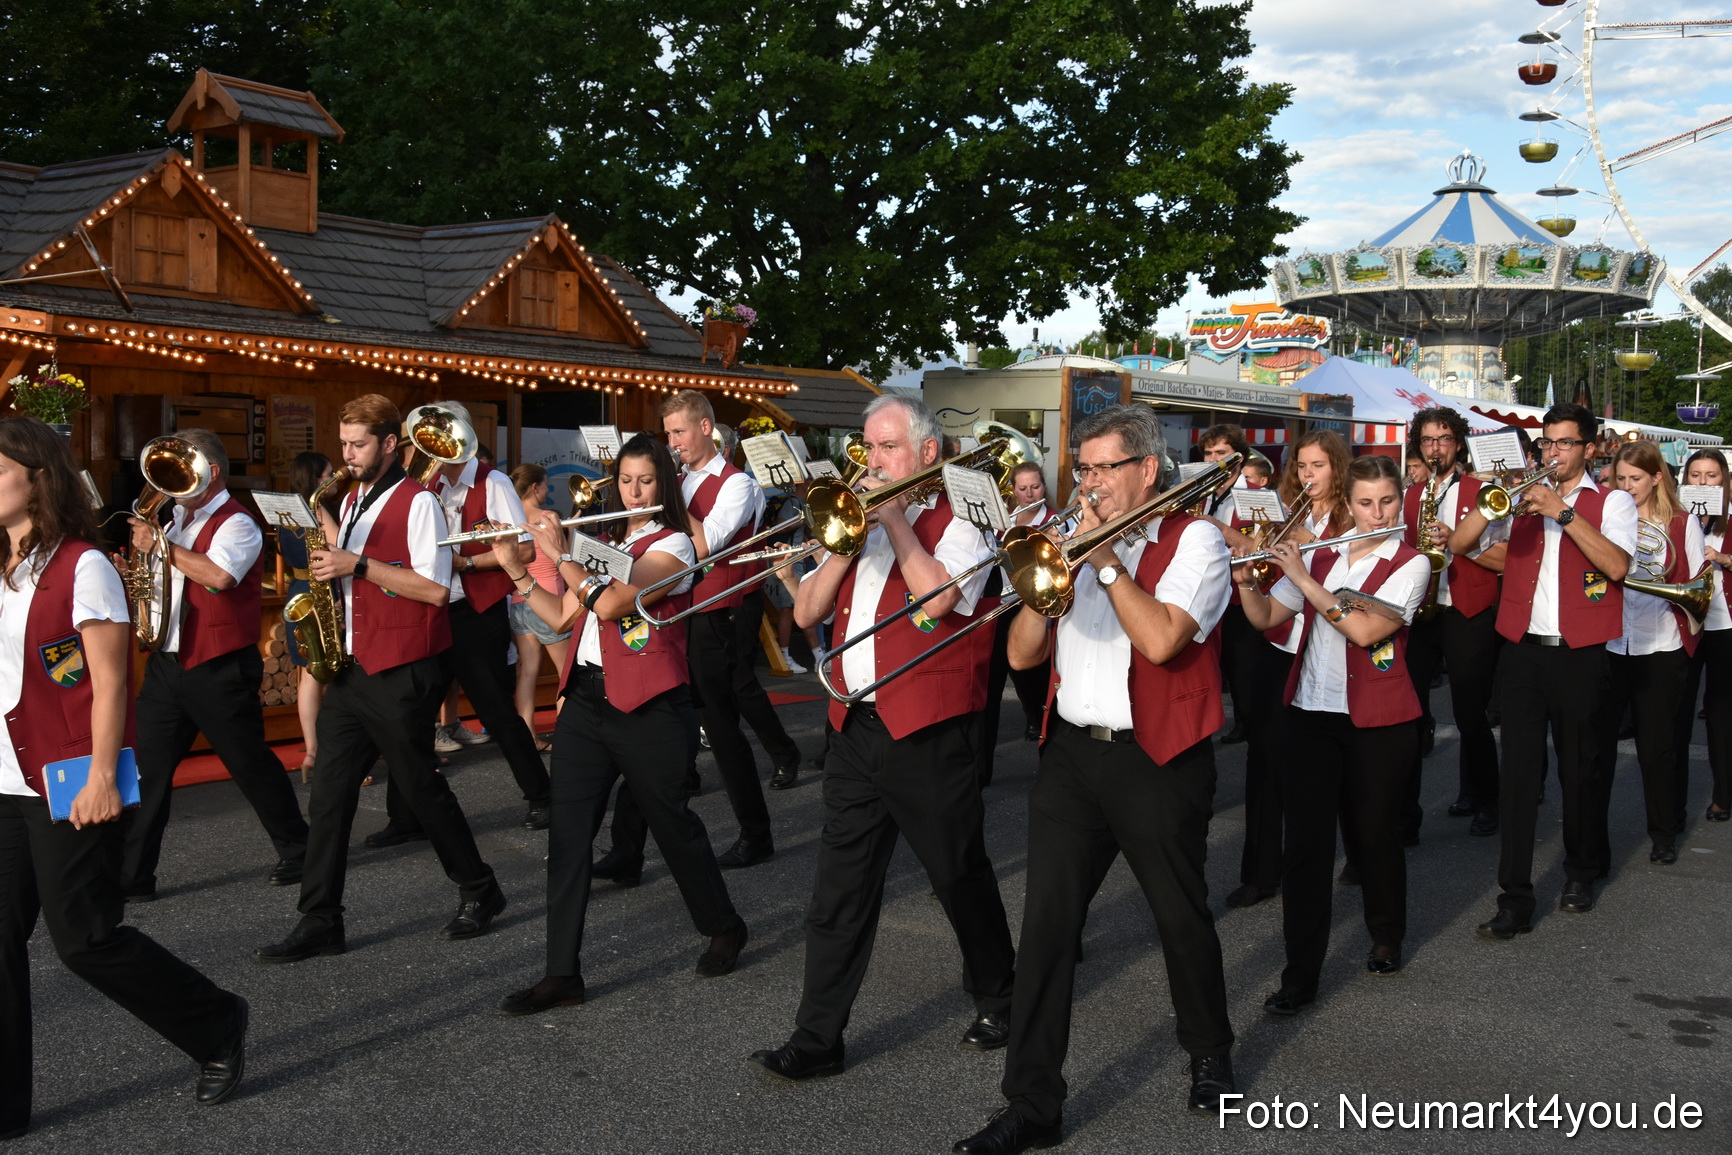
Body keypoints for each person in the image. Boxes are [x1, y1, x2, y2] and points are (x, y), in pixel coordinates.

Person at [953, 404, 1235, 1155]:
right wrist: (1046, 588)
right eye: (1081, 469)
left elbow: (1163, 636)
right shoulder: (1064, 541)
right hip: (1073, 755)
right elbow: (1020, 657)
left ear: (1146, 469)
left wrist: (1104, 560)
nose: (1090, 484)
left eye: (1104, 468)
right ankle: (1032, 1101)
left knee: (1179, 913)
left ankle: (1209, 1047)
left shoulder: (1196, 540)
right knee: (1046, 927)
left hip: (1157, 757)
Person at [750, 394, 1015, 1082]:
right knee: (839, 888)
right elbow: (807, 609)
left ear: (927, 452)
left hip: (927, 728)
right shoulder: (856, 515)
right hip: (854, 723)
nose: (871, 462)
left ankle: (1000, 993)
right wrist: (844, 539)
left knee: (956, 871)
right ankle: (818, 1036)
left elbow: (939, 599)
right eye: (865, 448)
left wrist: (894, 519)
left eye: (887, 448)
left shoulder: (966, 515)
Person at [0, 416, 249, 1137]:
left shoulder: (84, 566)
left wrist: (104, 774)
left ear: (36, 477)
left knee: (85, 939)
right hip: (4, 779)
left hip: (68, 775)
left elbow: (109, 683)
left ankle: (216, 1020)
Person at [494, 435, 745, 1016]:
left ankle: (725, 925)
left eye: (646, 482)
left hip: (650, 709)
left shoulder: (676, 546)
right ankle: (562, 973)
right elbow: (562, 617)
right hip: (584, 704)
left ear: (665, 485)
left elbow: (613, 605)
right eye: (626, 481)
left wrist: (561, 555)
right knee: (568, 836)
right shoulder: (605, 542)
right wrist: (516, 569)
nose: (633, 493)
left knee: (673, 827)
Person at [255, 395, 506, 963]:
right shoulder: (350, 498)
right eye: (343, 443)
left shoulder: (419, 502)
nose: (347, 455)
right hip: (352, 663)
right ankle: (320, 919)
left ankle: (480, 888)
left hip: (401, 668)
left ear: (391, 444)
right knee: (330, 796)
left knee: (421, 786)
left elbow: (436, 589)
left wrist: (357, 565)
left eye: (358, 444)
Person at [1237, 455, 1430, 1015]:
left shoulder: (1411, 564)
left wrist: (1302, 576)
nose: (1377, 513)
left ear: (1401, 502)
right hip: (1310, 715)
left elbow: (1368, 631)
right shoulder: (1326, 555)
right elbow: (1269, 616)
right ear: (1348, 505)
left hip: (1377, 723)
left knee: (1374, 835)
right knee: (1306, 849)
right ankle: (1300, 976)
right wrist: (1247, 581)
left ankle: (1386, 932)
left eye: (1388, 502)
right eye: (1366, 503)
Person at [1450, 402, 1635, 938]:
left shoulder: (1612, 501)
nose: (1552, 452)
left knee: (1579, 768)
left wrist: (1563, 511)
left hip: (1581, 651)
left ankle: (1579, 871)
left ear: (1590, 448)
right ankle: (1514, 897)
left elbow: (1618, 566)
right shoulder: (1520, 498)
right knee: (1519, 776)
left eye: (1564, 443)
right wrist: (1493, 504)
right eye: (1546, 443)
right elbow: (1461, 546)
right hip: (1522, 651)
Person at [119, 427, 309, 901]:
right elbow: (170, 581)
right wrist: (135, 572)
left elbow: (219, 576)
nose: (172, 481)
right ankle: (132, 877)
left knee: (249, 763)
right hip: (169, 662)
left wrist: (160, 549)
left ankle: (299, 849)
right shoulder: (173, 520)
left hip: (218, 665)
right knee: (148, 772)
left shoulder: (237, 522)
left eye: (185, 469)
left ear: (213, 472)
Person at [365, 400, 551, 847]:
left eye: (438, 438)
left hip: (473, 613)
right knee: (410, 717)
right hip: (427, 610)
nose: (428, 449)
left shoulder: (494, 482)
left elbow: (523, 551)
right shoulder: (413, 485)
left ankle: (543, 796)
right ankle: (405, 816)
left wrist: (465, 562)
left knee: (495, 710)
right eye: (422, 439)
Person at [661, 390, 799, 863]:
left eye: (678, 431)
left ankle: (755, 830)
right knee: (669, 716)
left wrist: (665, 494)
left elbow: (707, 545)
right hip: (675, 608)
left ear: (705, 429)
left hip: (720, 611)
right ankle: (630, 839)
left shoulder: (737, 484)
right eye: (668, 434)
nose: (672, 441)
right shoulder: (679, 480)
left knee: (722, 719)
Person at [1223, 429, 1349, 907]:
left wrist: (1307, 541)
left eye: (1318, 466)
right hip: (1281, 643)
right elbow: (1273, 586)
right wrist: (1252, 548)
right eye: (1301, 467)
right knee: (1265, 759)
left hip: (1331, 650)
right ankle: (1260, 871)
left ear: (1336, 467)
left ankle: (1357, 853)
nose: (1308, 475)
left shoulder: (1351, 512)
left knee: (1335, 765)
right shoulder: (1287, 507)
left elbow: (1350, 569)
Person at [1402, 407, 1504, 839]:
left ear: (1458, 443)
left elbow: (1506, 560)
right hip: (1423, 614)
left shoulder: (1484, 491)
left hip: (1468, 611)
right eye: (1427, 441)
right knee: (1409, 713)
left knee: (1469, 712)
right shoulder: (1410, 495)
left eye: (1443, 439)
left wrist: (1460, 545)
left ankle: (1486, 798)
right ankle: (1406, 814)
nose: (1435, 448)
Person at [1605, 440, 1704, 864]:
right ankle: (1594, 839)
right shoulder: (1608, 519)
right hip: (1610, 641)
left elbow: (1699, 585)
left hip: (1661, 643)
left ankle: (1663, 832)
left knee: (1657, 746)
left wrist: (1687, 646)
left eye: (1636, 480)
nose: (1627, 487)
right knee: (1597, 744)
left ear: (1656, 478)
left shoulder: (1682, 524)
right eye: (1620, 479)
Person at [980, 462, 1057, 785]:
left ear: (1043, 487)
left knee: (1034, 682)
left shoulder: (1053, 521)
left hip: (1032, 609)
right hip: (1000, 608)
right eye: (1022, 489)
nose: (1029, 495)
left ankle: (1043, 738)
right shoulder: (1003, 520)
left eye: (1035, 488)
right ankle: (980, 768)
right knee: (990, 688)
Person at [1675, 449, 1731, 823]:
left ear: (1724, 482)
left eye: (1711, 476)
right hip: (1686, 621)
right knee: (1677, 711)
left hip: (1725, 624)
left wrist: (1725, 558)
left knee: (1721, 711)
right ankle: (1672, 804)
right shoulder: (1676, 519)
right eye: (1696, 475)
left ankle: (1723, 795)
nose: (1703, 483)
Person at [506, 463, 572, 752]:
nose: (547, 490)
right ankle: (570, 738)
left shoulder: (512, 518)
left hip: (520, 599)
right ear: (535, 488)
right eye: (545, 485)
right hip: (549, 602)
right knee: (567, 674)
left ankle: (527, 737)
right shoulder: (548, 517)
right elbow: (566, 557)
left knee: (527, 672)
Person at [278, 452, 334, 780]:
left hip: (297, 587)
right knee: (328, 677)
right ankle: (330, 755)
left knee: (308, 677)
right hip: (320, 590)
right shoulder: (316, 508)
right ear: (315, 480)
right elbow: (340, 542)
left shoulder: (285, 510)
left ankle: (311, 751)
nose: (331, 481)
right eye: (326, 475)